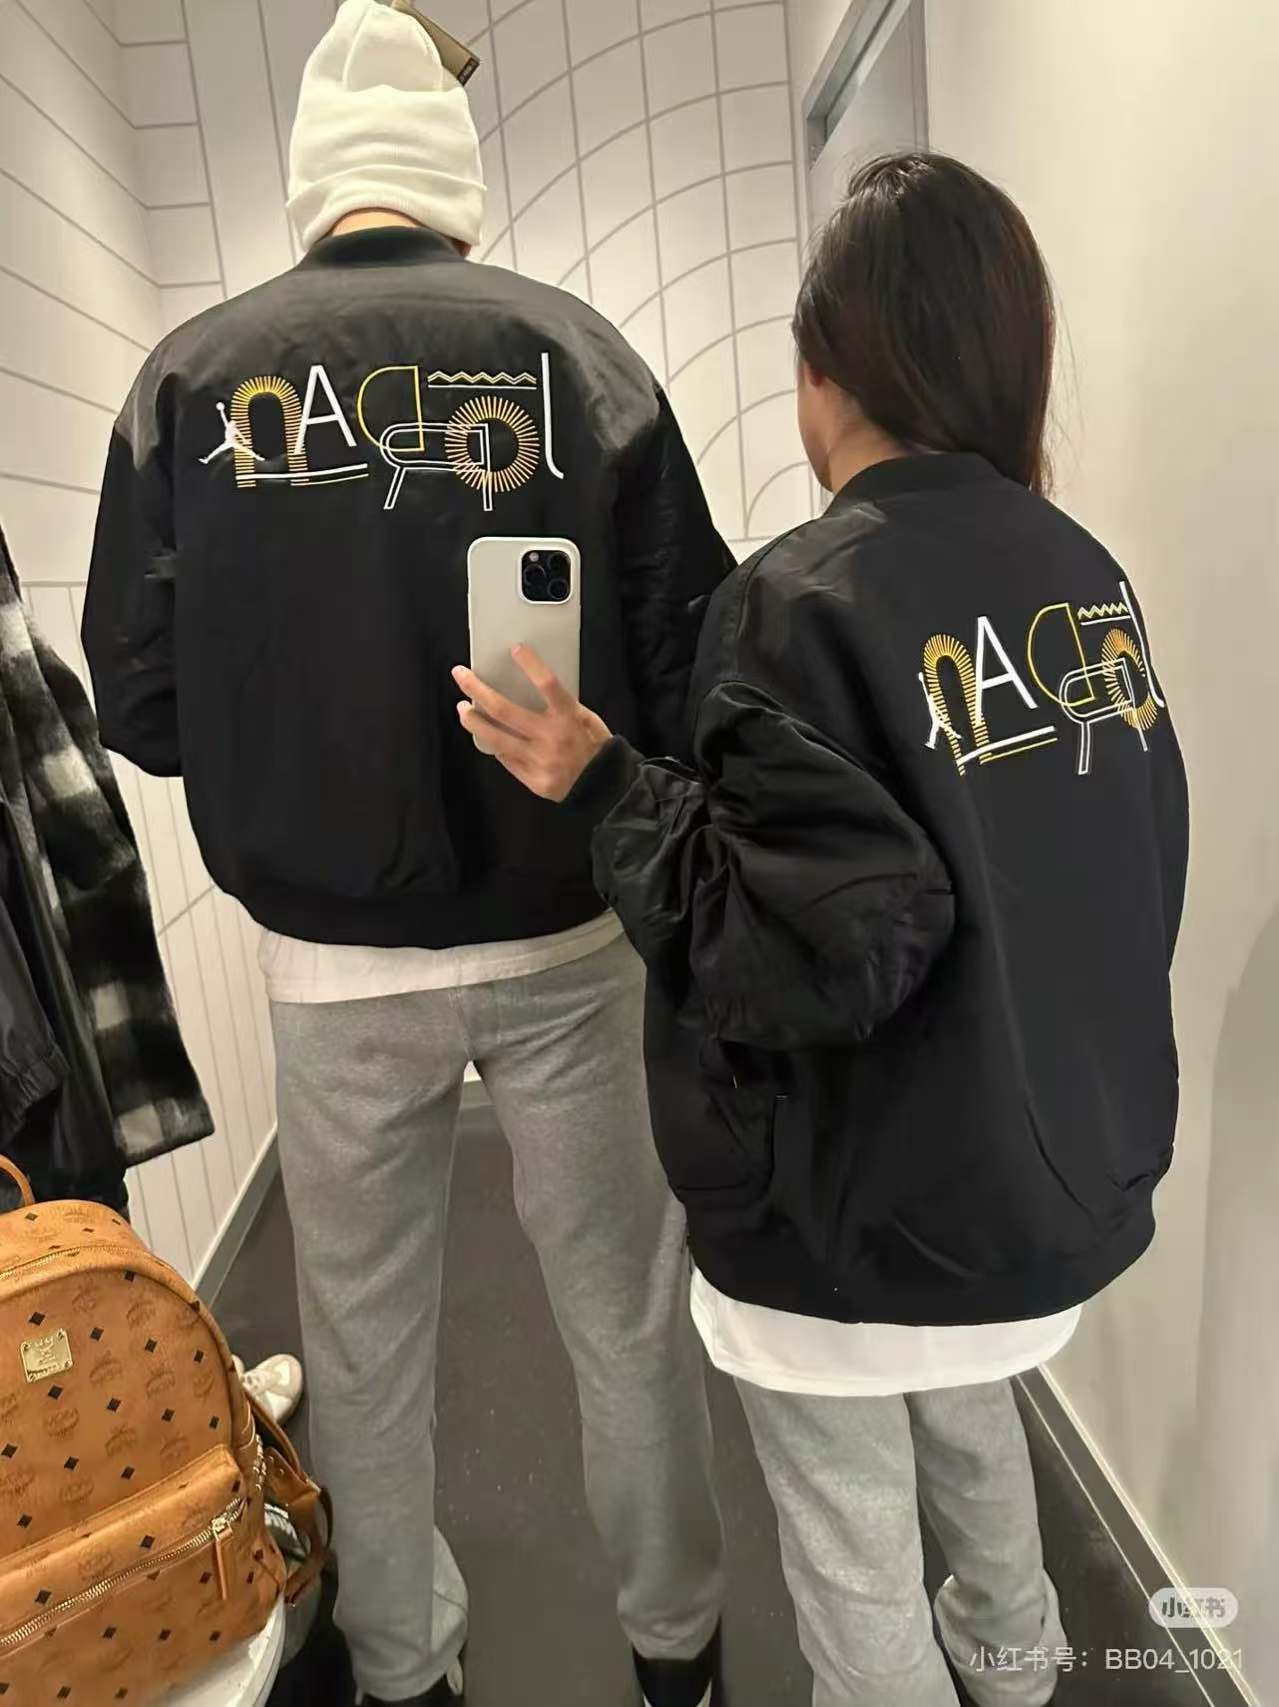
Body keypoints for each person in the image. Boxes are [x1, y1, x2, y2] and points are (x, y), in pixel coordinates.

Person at [456, 152, 1190, 1707]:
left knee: (856, 1548)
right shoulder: (1085, 581)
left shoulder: (796, 601)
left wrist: (606, 784)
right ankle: (1022, 1679)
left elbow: (795, 949)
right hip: (1036, 1189)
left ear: (828, 371)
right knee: (980, 1442)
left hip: (848, 1225)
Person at [82, 3, 731, 1704]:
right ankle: (681, 1650)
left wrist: (287, 746)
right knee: (624, 1315)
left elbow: (135, 699)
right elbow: (694, 661)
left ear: (314, 176)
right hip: (569, 938)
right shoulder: (578, 356)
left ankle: (405, 1669)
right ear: (451, 177)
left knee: (364, 1344)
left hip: (328, 967)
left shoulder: (189, 382)